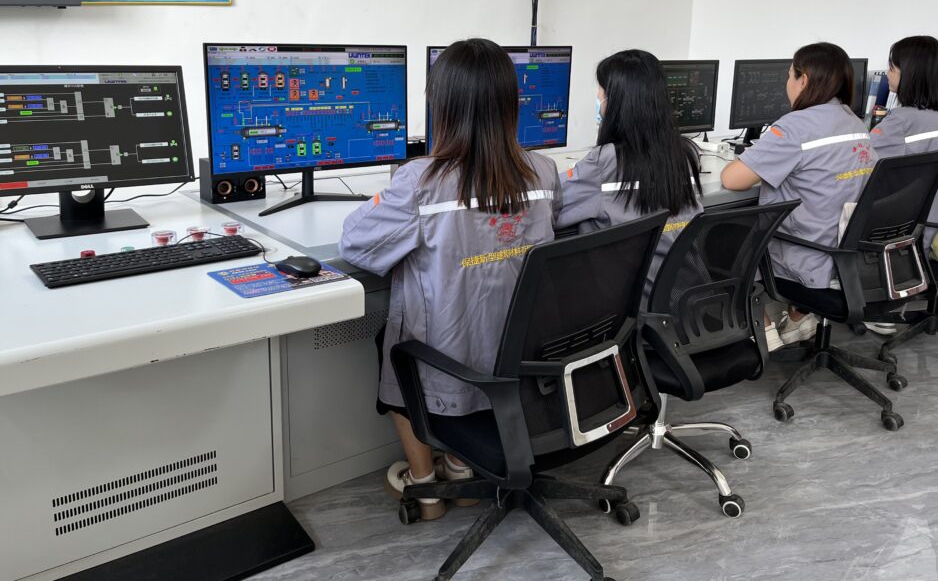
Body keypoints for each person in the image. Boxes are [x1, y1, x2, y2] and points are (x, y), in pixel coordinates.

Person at [340, 38, 562, 520]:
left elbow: (355, 244)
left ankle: (424, 487)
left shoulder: (420, 181)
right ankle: (462, 472)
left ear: (440, 105)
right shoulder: (544, 172)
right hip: (518, 363)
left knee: (393, 344)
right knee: (479, 320)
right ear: (511, 102)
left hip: (448, 364)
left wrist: (383, 202)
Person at [721, 42, 876, 349]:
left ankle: (763, 328)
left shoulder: (795, 127)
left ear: (803, 80)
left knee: (721, 239)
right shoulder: (855, 122)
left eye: (789, 75)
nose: (787, 83)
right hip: (849, 260)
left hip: (808, 258)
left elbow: (732, 179)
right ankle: (798, 319)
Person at [556, 49, 703, 302]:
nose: (598, 97)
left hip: (631, 302)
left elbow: (552, 202)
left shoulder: (603, 162)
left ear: (617, 102)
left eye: (601, 91)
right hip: (684, 297)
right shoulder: (685, 154)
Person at [870, 36, 938, 253]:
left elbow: (856, 159)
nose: (887, 73)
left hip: (915, 236)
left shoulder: (900, 121)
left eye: (892, 67)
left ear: (910, 74)